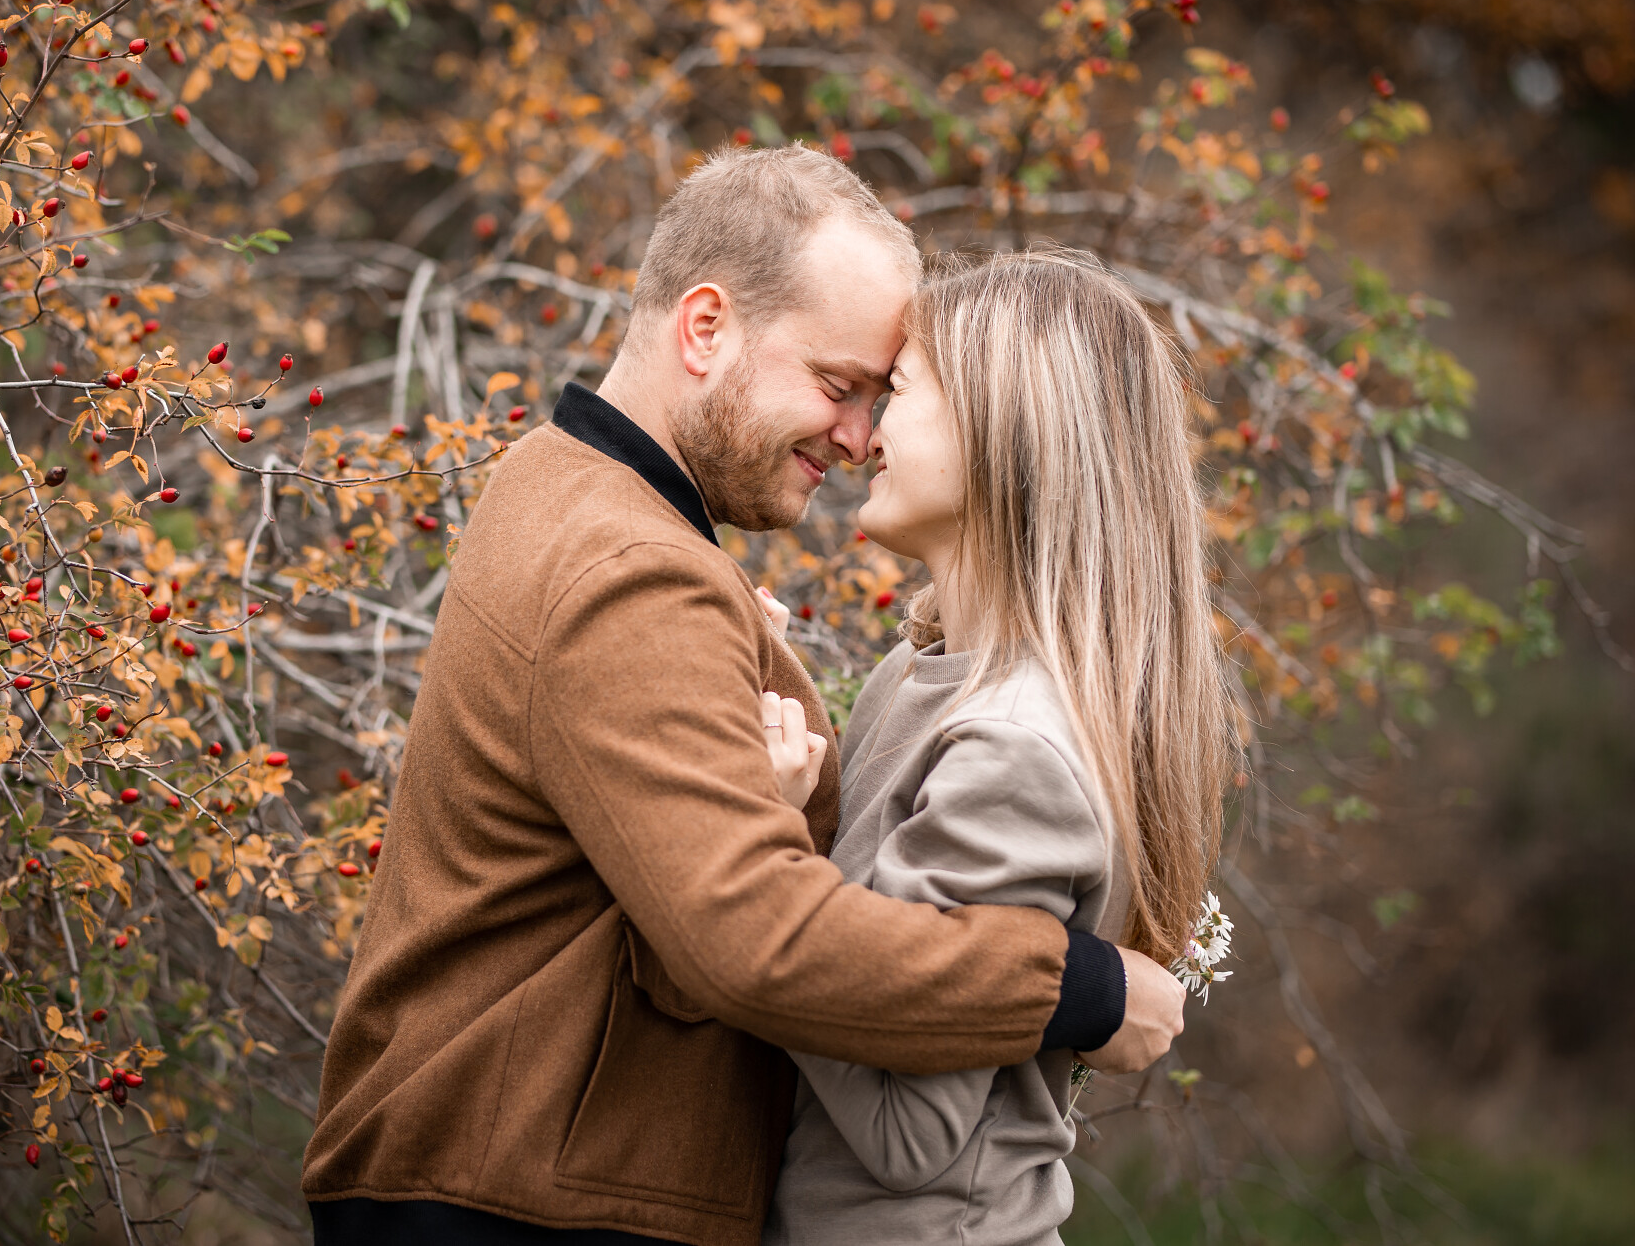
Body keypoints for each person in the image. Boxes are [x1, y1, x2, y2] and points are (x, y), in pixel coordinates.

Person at [302, 147, 1188, 1246]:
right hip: (512, 1205)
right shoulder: (632, 569)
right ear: (706, 328)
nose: (856, 435)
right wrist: (1080, 989)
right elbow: (751, 938)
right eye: (837, 385)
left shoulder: (563, 490)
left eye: (880, 396)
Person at [759, 247, 1236, 1245]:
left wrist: (762, 852)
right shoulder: (917, 674)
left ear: (997, 430)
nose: (862, 433)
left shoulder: (1013, 744)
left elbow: (907, 1131)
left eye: (897, 392)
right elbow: (883, 938)